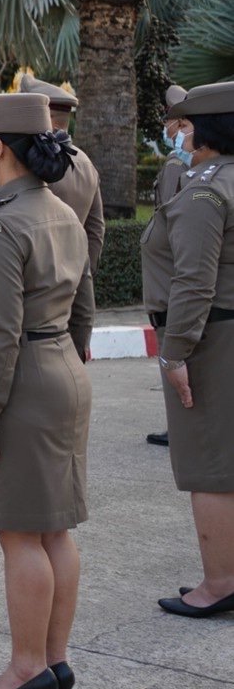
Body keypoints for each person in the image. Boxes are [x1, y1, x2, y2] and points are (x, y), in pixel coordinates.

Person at [0, 92, 93, 689]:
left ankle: (25, 666)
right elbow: (82, 303)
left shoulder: (3, 224)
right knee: (55, 529)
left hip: (25, 380)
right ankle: (53, 659)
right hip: (63, 365)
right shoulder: (61, 210)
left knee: (20, 537)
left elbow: (1, 334)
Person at [151, 81, 234, 619]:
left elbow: (194, 282)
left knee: (208, 464)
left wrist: (174, 352)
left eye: (184, 124)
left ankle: (219, 583)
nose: (177, 132)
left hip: (211, 337)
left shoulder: (206, 189)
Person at [18, 74, 102, 360]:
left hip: (38, 294)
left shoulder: (32, 166)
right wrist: (82, 271)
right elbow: (95, 229)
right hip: (76, 287)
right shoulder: (84, 161)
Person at [146, 84, 190, 448]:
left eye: (171, 122)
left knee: (173, 352)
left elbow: (170, 217)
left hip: (173, 280)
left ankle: (179, 423)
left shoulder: (177, 164)